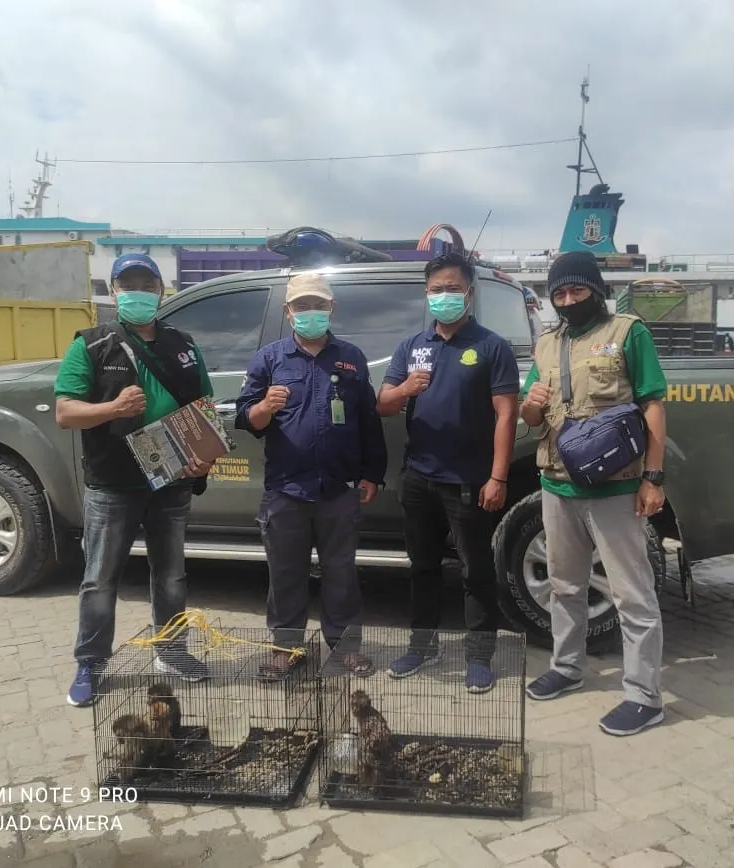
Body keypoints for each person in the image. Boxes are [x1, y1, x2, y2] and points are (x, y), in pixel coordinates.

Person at [518, 250, 669, 737]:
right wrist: (532, 406)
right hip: (556, 485)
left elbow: (652, 405)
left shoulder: (628, 332)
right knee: (564, 586)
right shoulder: (545, 344)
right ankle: (567, 668)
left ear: (596, 290)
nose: (567, 299)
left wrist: (653, 477)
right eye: (559, 292)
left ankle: (644, 696)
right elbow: (530, 418)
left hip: (616, 488)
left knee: (632, 594)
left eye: (577, 290)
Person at [56, 253, 215, 708]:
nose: (138, 291)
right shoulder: (91, 344)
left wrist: (204, 459)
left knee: (170, 578)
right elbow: (66, 411)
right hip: (113, 485)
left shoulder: (182, 344)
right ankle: (91, 662)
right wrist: (111, 409)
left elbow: (202, 407)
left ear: (161, 291)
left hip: (171, 482)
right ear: (114, 292)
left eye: (147, 283)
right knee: (100, 579)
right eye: (129, 284)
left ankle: (171, 652)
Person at [377, 251, 519, 693]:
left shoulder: (491, 347)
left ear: (469, 293)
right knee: (422, 567)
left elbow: (506, 415)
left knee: (476, 570)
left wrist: (497, 477)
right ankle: (423, 646)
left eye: (452, 289)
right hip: (418, 477)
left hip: (469, 480)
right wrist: (404, 387)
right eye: (436, 290)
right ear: (427, 293)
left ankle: (479, 656)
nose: (444, 297)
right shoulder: (412, 346)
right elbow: (383, 405)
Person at [236, 273, 387, 677]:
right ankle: (286, 648)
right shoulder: (269, 359)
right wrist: (265, 406)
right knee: (286, 575)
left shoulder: (351, 357)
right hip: (286, 489)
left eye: (317, 305)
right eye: (301, 306)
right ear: (288, 312)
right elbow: (245, 419)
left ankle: (345, 647)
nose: (310, 312)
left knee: (341, 573)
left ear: (331, 309)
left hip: (339, 489)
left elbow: (368, 421)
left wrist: (373, 473)